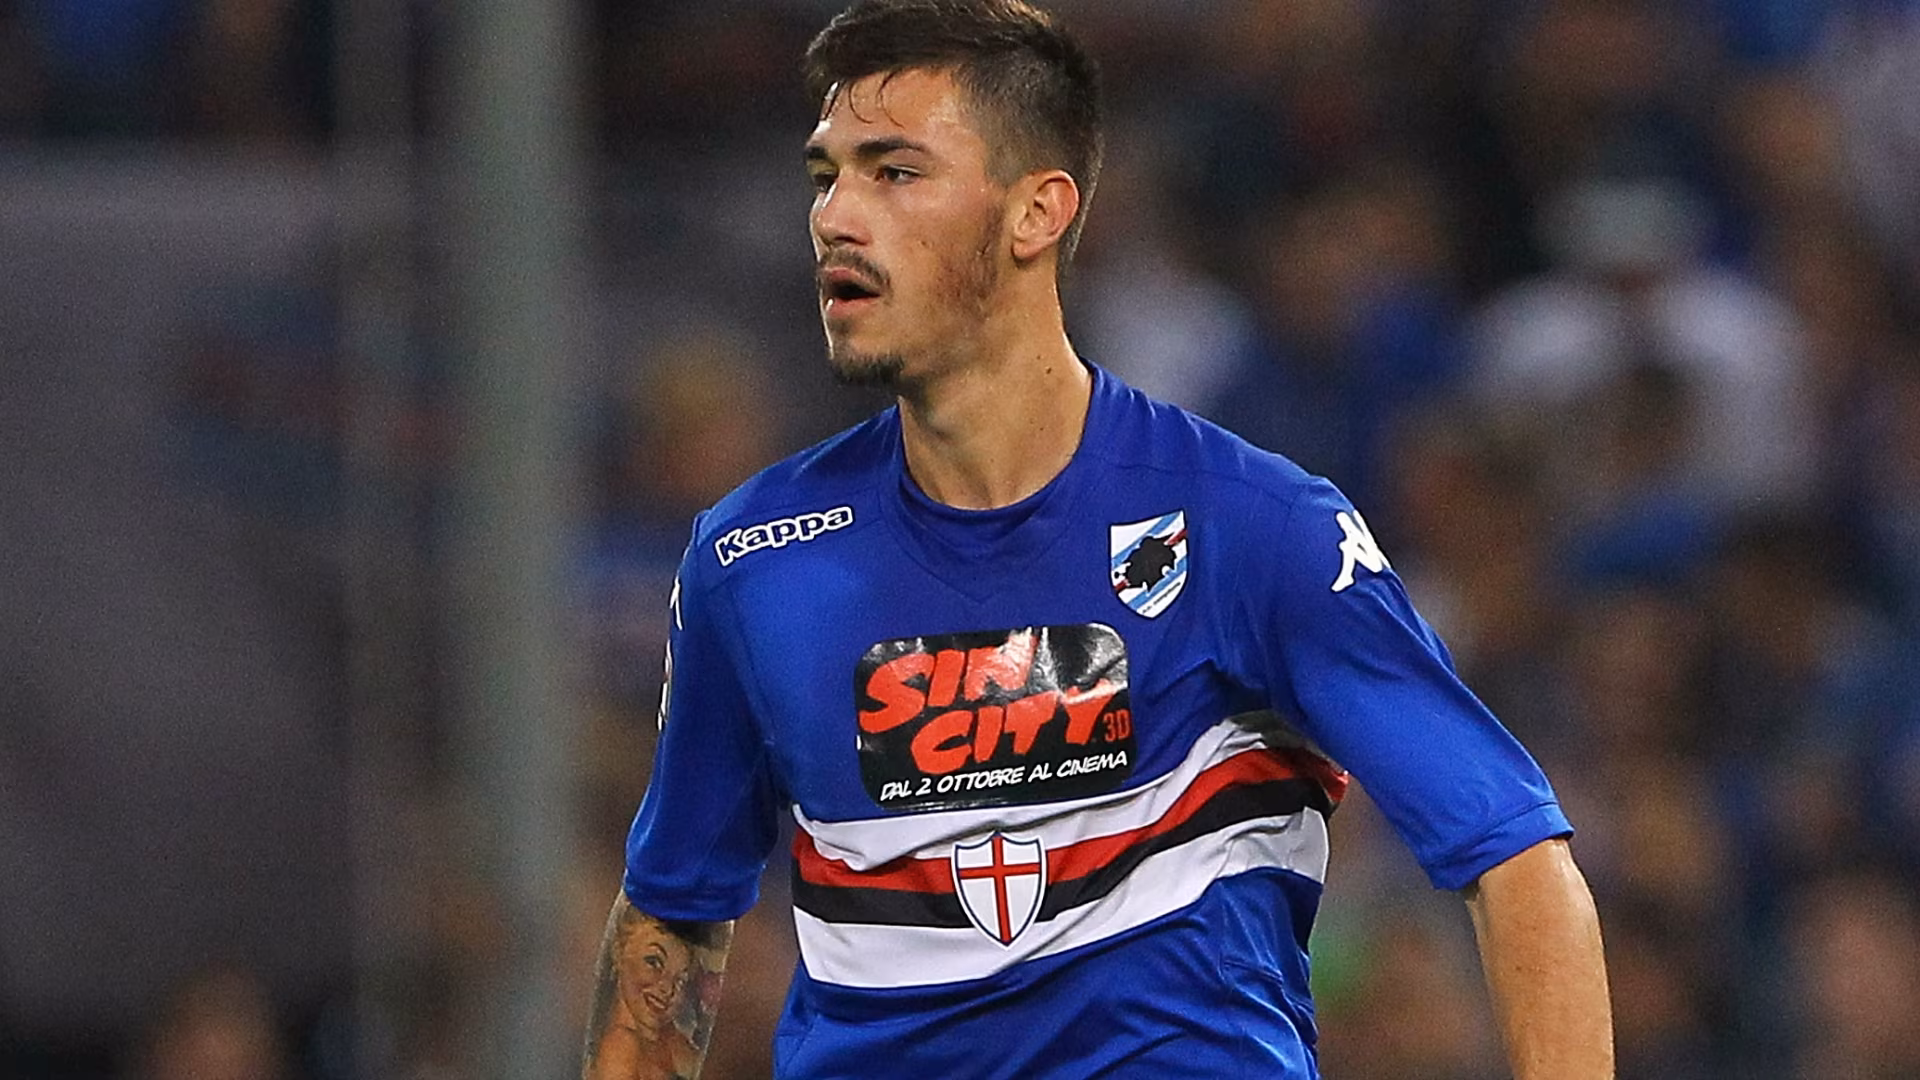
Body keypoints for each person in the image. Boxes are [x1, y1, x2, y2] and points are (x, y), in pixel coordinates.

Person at [583, 1, 1614, 1077]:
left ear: (1038, 212)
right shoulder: (754, 562)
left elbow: (1517, 862)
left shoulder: (1252, 528)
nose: (837, 216)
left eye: (894, 173)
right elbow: (673, 921)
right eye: (824, 177)